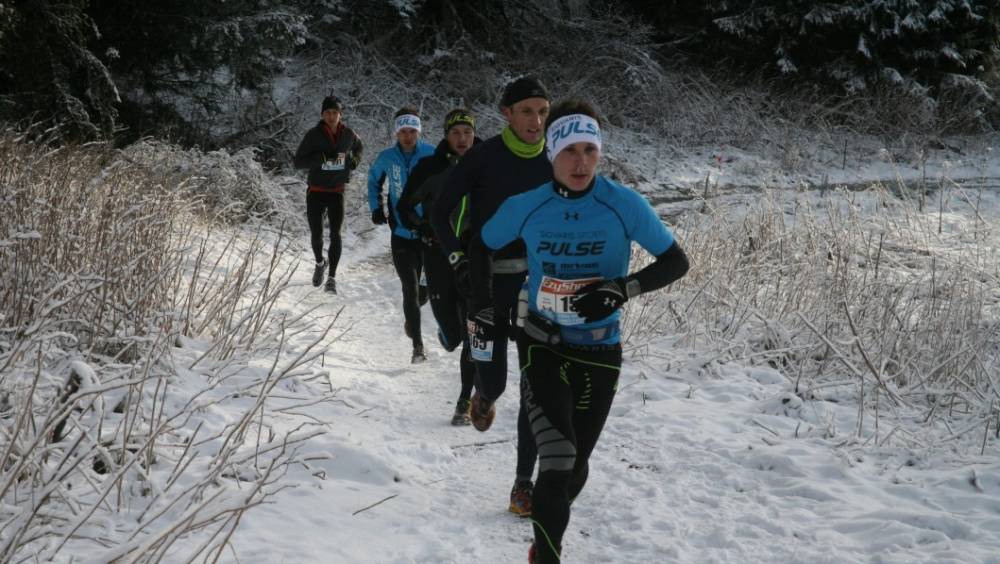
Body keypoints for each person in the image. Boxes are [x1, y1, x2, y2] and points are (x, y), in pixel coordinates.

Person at [479, 99, 690, 562]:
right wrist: (491, 298)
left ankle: (543, 539)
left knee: (574, 470)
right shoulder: (525, 207)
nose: (580, 162)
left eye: (590, 150)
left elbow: (677, 261)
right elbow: (483, 245)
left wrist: (623, 288)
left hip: (599, 349)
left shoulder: (623, 205)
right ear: (551, 153)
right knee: (557, 459)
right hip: (541, 344)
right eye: (569, 150)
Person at [432, 77, 551, 517]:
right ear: (506, 113)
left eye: (542, 110)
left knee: (536, 387)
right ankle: (483, 395)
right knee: (497, 380)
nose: (536, 120)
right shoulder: (482, 158)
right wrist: (458, 256)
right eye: (526, 111)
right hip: (482, 285)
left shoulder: (557, 160)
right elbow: (439, 212)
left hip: (536, 289)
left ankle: (523, 484)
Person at [397, 108, 481, 425]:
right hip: (437, 256)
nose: (462, 139)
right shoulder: (429, 167)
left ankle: (464, 401)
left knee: (474, 331)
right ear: (447, 135)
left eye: (468, 133)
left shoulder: (486, 165)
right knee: (453, 335)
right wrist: (423, 229)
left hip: (475, 258)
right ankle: (450, 335)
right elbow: (405, 206)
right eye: (456, 133)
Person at [368, 107, 436, 363]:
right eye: (403, 131)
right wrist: (376, 208)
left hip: (428, 233)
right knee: (409, 287)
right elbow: (373, 180)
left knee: (423, 292)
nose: (408, 136)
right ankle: (418, 346)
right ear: (397, 132)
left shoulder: (431, 153)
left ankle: (413, 316)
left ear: (418, 132)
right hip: (401, 233)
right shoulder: (386, 157)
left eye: (412, 131)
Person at [293, 95, 364, 294]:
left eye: (335, 112)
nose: (332, 116)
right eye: (328, 113)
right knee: (317, 235)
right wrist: (321, 158)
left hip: (337, 191)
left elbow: (359, 148)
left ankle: (332, 278)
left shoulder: (349, 134)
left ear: (340, 114)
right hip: (315, 190)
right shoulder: (313, 135)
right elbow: (298, 162)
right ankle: (319, 263)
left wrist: (354, 160)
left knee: (336, 234)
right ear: (322, 114)